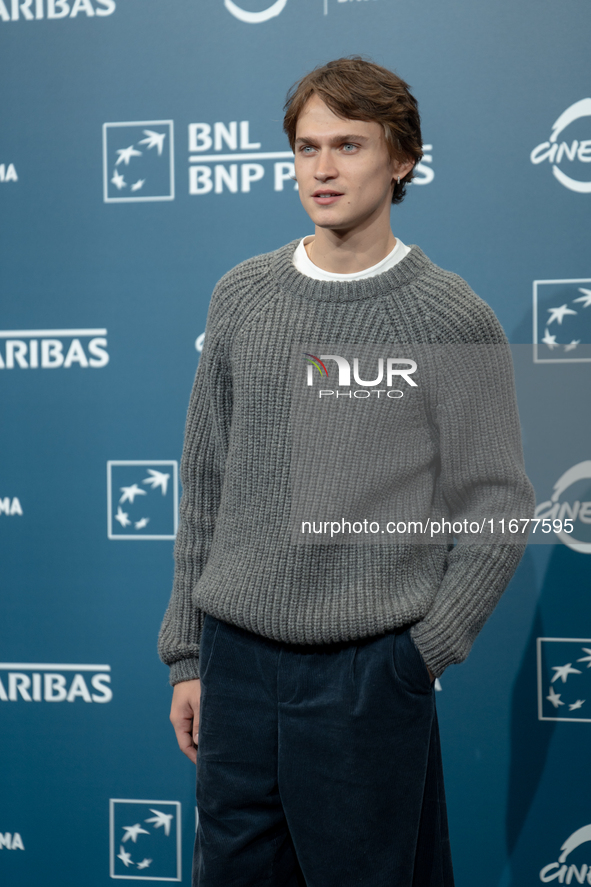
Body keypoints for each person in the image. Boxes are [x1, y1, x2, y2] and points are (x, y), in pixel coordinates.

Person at [158, 57, 534, 887]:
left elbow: (500, 503)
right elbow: (207, 478)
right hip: (235, 666)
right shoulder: (242, 296)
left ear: (401, 160)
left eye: (348, 145)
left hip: (366, 679)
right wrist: (189, 656)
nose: (321, 170)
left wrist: (421, 653)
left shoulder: (449, 315)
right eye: (305, 147)